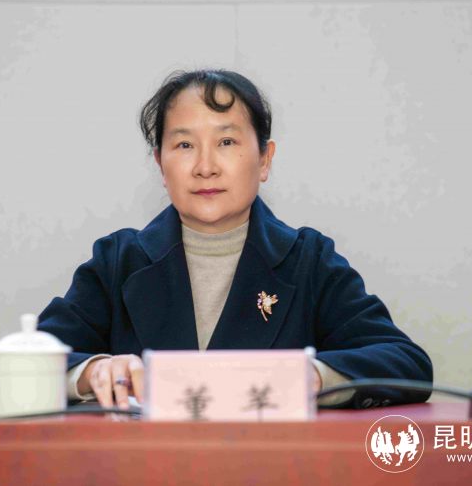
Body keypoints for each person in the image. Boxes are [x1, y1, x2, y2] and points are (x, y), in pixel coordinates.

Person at [38, 69, 433, 410]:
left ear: (264, 159)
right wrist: (92, 372)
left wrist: (313, 377)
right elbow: (32, 361)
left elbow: (405, 361)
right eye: (185, 145)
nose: (205, 167)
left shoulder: (309, 262)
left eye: (226, 142)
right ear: (160, 164)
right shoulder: (118, 262)